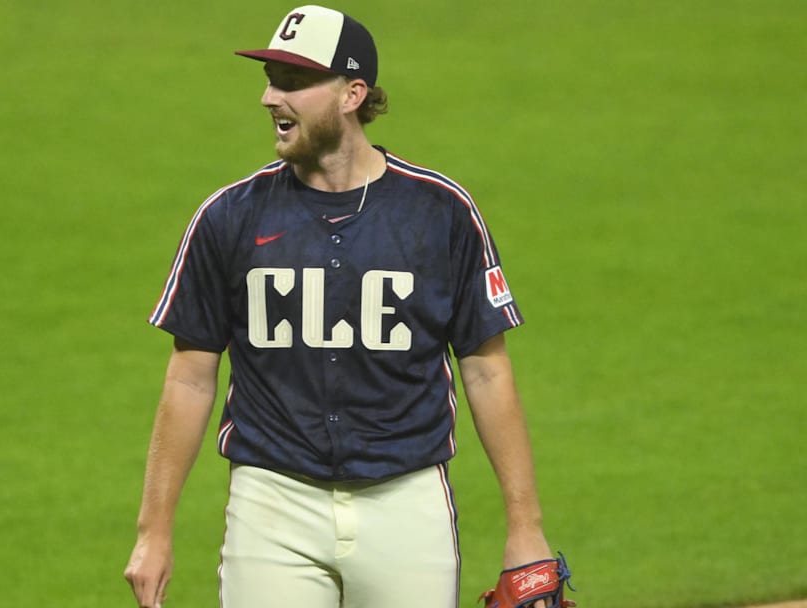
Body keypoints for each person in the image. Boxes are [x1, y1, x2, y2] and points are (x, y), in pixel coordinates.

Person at [124, 5, 556, 607]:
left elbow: (485, 369)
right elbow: (190, 378)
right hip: (271, 503)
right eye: (271, 80)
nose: (271, 98)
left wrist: (526, 530)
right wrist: (154, 531)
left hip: (407, 504)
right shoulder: (228, 218)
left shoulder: (440, 213)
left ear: (353, 93)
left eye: (295, 83)